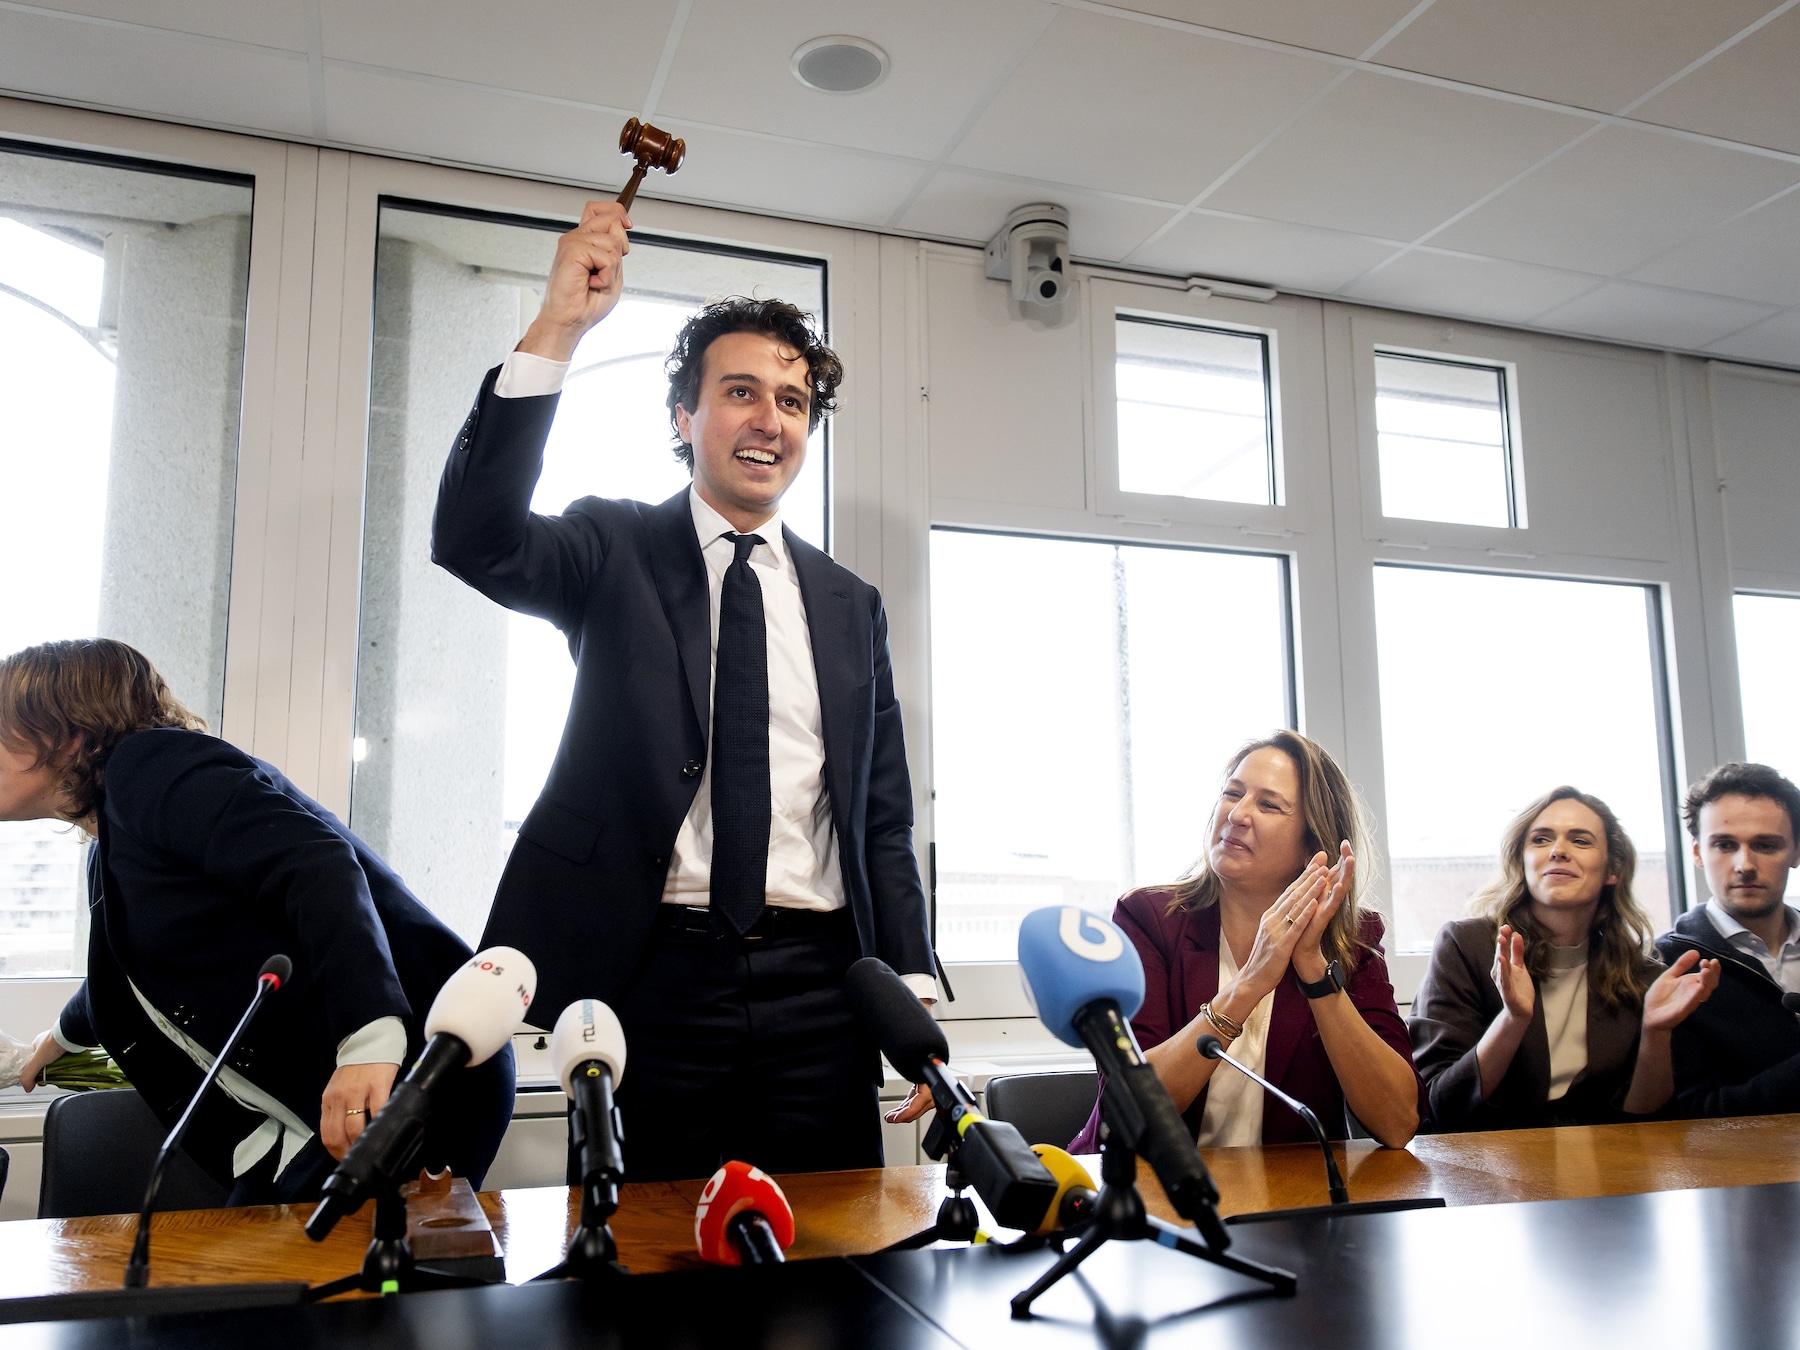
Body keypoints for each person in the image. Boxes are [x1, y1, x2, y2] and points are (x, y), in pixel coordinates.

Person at [431, 199, 934, 1182]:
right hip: (651, 976)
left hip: (823, 985)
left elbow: (880, 817)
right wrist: (558, 328)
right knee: (644, 1276)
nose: (769, 419)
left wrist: (907, 982)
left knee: (837, 1270)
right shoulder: (612, 547)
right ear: (684, 417)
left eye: (792, 403)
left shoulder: (848, 603)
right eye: (741, 392)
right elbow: (474, 538)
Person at [0, 639, 514, 1203]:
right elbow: (125, 970)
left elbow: (318, 866)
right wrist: (55, 1041)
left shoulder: (150, 765)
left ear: (71, 732)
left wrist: (368, 1041)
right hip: (313, 1108)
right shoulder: (112, 844)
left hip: (416, 1067)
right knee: (270, 1282)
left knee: (357, 1282)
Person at [1072, 731, 1424, 1152]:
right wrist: (1249, 984)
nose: (1237, 814)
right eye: (1232, 793)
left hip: (1291, 1201)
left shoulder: (1354, 941)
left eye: (1268, 804)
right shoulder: (1150, 919)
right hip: (1149, 1194)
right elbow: (1129, 1111)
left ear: (1312, 845)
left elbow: (1398, 1122)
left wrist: (1313, 968)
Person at [1410, 786, 1718, 1132]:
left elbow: (1643, 1123)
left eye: (1581, 841)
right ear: (1521, 861)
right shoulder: (1468, 946)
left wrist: (1656, 1031)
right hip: (1486, 1167)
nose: (1558, 851)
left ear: (1612, 870)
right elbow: (1440, 1105)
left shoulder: (1640, 974)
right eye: (1541, 840)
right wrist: (1513, 1019)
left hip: (1605, 1167)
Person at [1654, 762, 1800, 1116]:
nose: (1745, 864)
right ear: (1697, 853)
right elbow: (1692, 1117)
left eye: (1766, 845)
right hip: (1748, 1170)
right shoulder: (1665, 965)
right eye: (1724, 845)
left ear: (1796, 852)